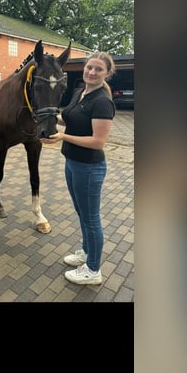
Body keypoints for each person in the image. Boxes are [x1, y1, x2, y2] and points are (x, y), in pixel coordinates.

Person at [41, 52, 116, 285]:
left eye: (98, 69)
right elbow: (69, 117)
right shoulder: (80, 92)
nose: (91, 72)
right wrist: (51, 114)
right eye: (89, 67)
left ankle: (93, 270)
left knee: (91, 218)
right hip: (72, 162)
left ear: (107, 73)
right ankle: (86, 252)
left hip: (89, 167)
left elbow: (98, 141)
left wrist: (63, 136)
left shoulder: (102, 101)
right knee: (82, 213)